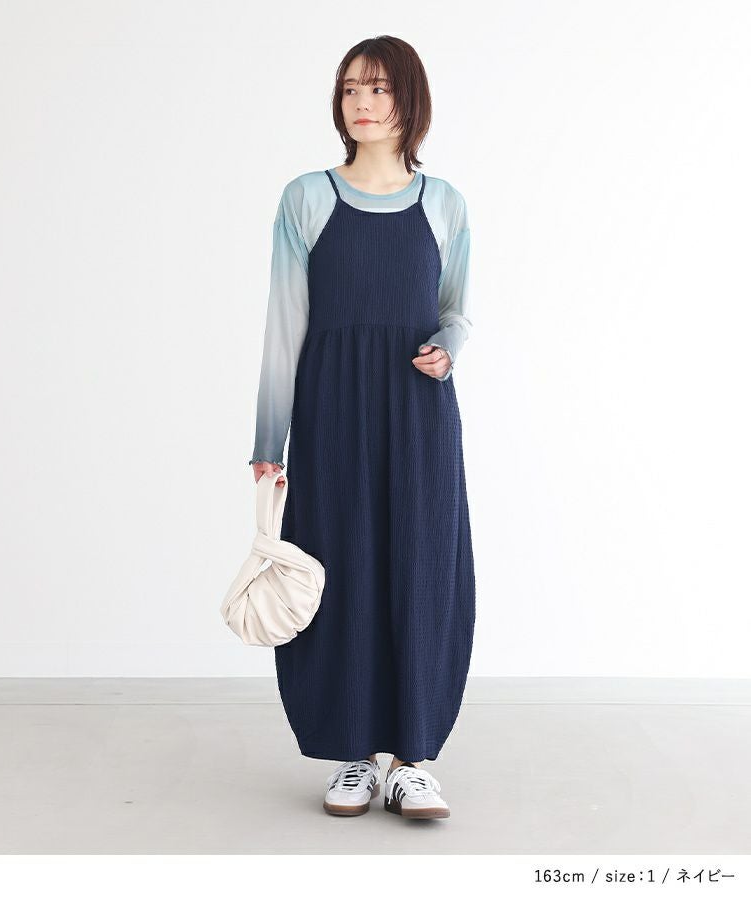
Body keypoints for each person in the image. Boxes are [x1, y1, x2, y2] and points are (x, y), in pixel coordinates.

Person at [248, 35, 475, 820]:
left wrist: (449, 348)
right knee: (339, 568)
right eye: (350, 89)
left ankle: (412, 760)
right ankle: (354, 754)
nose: (362, 103)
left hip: (418, 413)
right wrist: (268, 441)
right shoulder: (306, 199)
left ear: (409, 99)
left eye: (377, 88)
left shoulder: (445, 203)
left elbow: (458, 310)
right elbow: (283, 325)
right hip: (333, 411)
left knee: (421, 568)